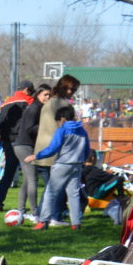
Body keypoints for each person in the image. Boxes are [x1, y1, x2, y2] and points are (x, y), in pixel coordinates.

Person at [24, 104, 91, 231]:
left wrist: (37, 156)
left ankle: (43, 221)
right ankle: (76, 224)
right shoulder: (82, 131)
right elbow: (87, 150)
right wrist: (80, 160)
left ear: (62, 119)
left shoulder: (62, 130)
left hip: (62, 165)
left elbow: (53, 148)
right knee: (74, 194)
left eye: (58, 121)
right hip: (77, 166)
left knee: (51, 193)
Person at [34, 75, 80, 226]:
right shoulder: (61, 103)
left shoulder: (51, 101)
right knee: (56, 187)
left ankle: (44, 217)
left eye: (74, 90)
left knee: (53, 187)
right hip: (54, 150)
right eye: (71, 89)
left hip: (44, 148)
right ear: (64, 87)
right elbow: (66, 126)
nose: (72, 92)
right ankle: (52, 217)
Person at [0, 80, 35, 212]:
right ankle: (27, 208)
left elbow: (0, 127)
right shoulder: (30, 102)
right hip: (25, 142)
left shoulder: (5, 103)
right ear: (27, 90)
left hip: (10, 143)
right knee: (29, 176)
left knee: (8, 175)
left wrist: (3, 145)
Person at [12, 84, 52, 222]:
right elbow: (30, 129)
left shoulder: (39, 107)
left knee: (27, 181)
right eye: (45, 94)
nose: (47, 97)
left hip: (24, 146)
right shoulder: (34, 108)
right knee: (33, 179)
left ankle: (21, 211)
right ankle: (35, 213)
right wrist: (47, 126)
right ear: (38, 95)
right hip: (25, 147)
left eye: (49, 95)